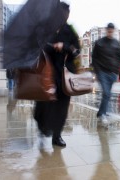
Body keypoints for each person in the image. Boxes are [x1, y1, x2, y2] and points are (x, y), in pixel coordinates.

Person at [34, 2, 80, 147]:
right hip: (46, 73)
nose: (65, 16)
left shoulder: (70, 30)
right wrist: (52, 47)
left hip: (63, 75)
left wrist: (65, 46)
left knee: (62, 106)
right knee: (43, 104)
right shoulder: (46, 28)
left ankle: (57, 136)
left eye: (67, 14)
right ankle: (42, 127)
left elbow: (76, 51)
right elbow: (38, 45)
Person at [92, 23, 120, 123]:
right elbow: (94, 58)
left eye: (111, 31)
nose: (110, 33)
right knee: (106, 93)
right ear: (106, 30)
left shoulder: (116, 43)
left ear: (113, 31)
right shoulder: (99, 42)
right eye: (108, 31)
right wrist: (97, 72)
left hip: (112, 73)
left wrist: (117, 72)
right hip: (102, 72)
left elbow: (119, 58)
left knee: (108, 95)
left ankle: (101, 113)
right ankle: (103, 115)